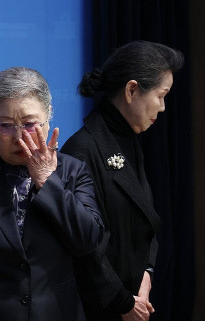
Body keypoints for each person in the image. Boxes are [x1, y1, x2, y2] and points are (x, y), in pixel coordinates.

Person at [0, 67, 104, 321]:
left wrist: (47, 181)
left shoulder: (72, 171)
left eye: (29, 124)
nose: (18, 136)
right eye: (6, 126)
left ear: (49, 118)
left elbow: (89, 240)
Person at [61, 41, 184, 321]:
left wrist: (147, 273)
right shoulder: (81, 150)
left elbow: (145, 220)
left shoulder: (129, 139)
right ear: (131, 90)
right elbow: (84, 250)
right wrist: (122, 301)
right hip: (98, 310)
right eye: (161, 95)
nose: (163, 107)